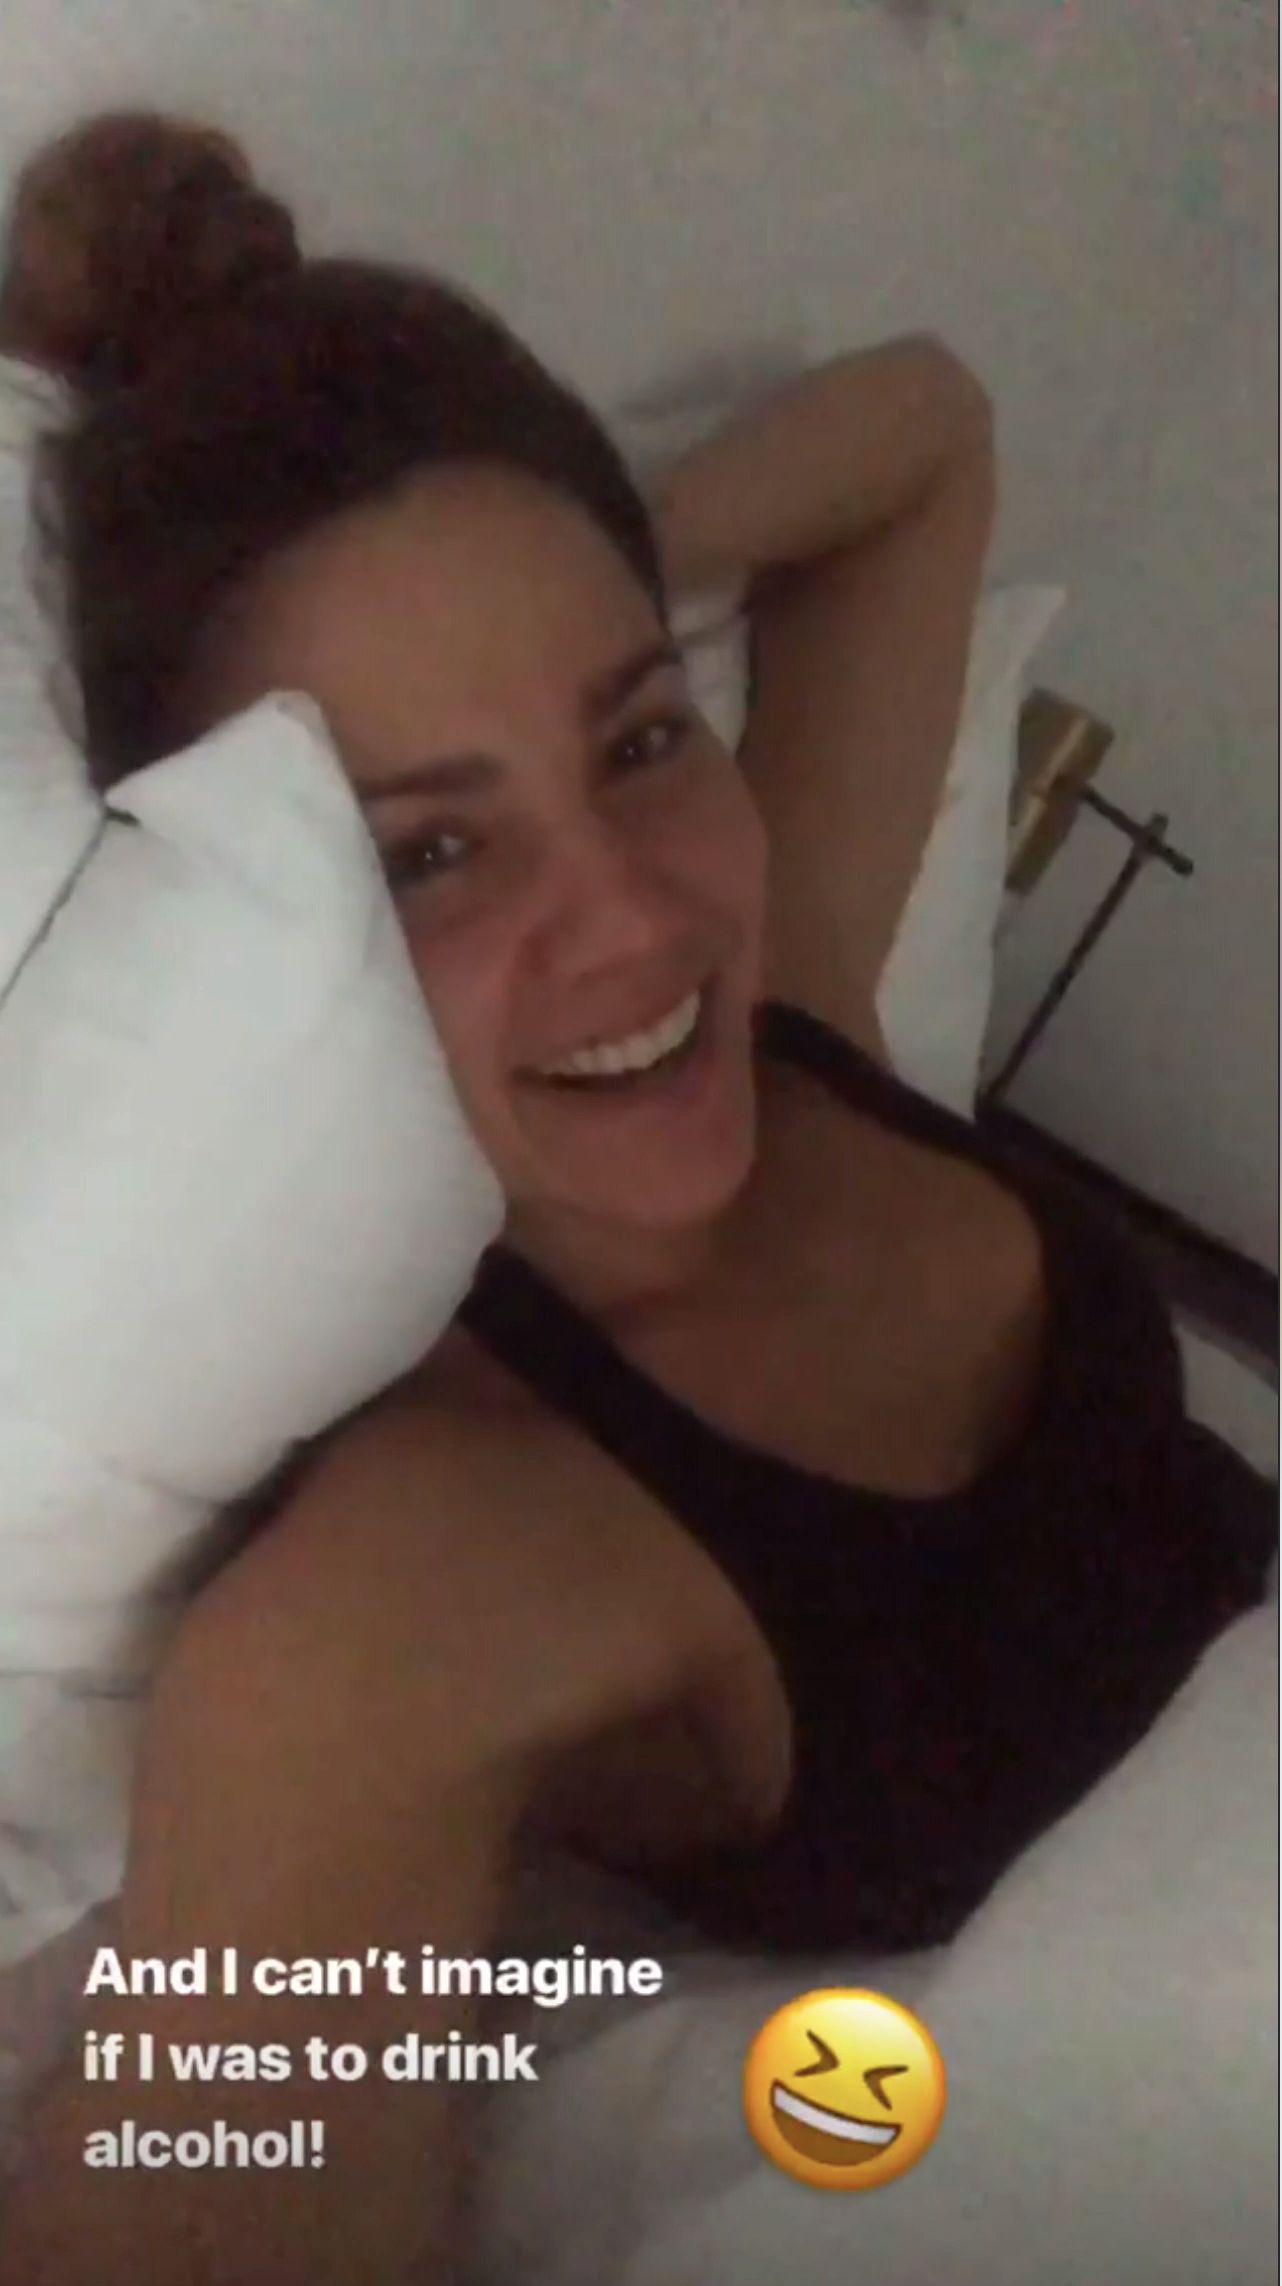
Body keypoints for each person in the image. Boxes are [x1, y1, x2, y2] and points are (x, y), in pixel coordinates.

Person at [0, 111, 1272, 2285]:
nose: (631, 921)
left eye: (641, 740)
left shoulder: (795, 1030)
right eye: (429, 847)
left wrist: (570, 562)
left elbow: (920, 434)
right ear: (260, 915)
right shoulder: (407, 1594)